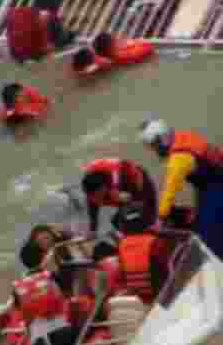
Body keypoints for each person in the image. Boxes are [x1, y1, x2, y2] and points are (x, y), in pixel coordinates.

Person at [141, 119, 223, 256]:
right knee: (201, 217)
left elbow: (169, 190)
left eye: (154, 146)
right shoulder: (183, 137)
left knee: (209, 232)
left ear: (161, 141)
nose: (154, 151)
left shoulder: (178, 160)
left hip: (216, 186)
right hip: (210, 182)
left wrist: (160, 218)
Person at [115, 203, 183, 305]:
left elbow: (121, 275)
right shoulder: (155, 242)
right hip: (158, 300)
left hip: (135, 301)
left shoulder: (121, 245)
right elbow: (167, 272)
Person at [80, 158, 157, 235]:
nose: (97, 199)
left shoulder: (119, 177)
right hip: (118, 191)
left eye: (98, 195)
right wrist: (92, 230)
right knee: (119, 221)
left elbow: (133, 200)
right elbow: (93, 212)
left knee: (144, 216)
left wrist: (134, 205)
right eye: (93, 197)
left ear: (103, 188)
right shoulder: (91, 193)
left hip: (138, 184)